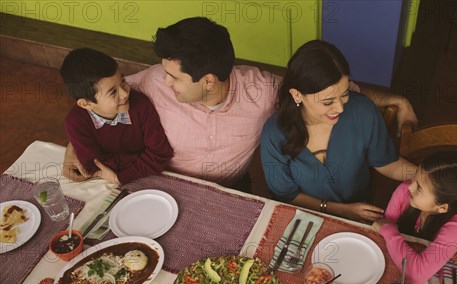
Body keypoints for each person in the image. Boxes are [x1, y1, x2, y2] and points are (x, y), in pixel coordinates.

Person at [62, 17, 417, 190]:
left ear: (209, 81)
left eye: (175, 76)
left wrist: (393, 99)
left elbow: (321, 88)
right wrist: (72, 148)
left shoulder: (260, 90)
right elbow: (99, 105)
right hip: (164, 184)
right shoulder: (154, 81)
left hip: (233, 191)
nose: (163, 79)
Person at [260, 40, 416, 223]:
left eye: (345, 94)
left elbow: (386, 162)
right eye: (328, 102)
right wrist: (341, 210)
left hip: (357, 218)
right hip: (302, 218)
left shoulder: (362, 110)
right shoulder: (275, 132)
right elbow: (287, 195)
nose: (340, 108)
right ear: (297, 95)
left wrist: (427, 176)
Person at [372, 150, 457, 284]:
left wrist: (388, 231)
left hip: (440, 280)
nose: (410, 187)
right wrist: (387, 230)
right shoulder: (405, 191)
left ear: (442, 208)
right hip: (401, 262)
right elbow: (382, 234)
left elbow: (416, 275)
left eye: (419, 188)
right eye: (415, 177)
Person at [60, 48, 173, 185]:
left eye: (123, 81)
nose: (125, 94)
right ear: (86, 104)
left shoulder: (140, 104)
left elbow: (161, 154)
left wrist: (120, 176)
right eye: (113, 92)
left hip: (144, 177)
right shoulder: (75, 123)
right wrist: (141, 159)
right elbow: (94, 166)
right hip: (114, 179)